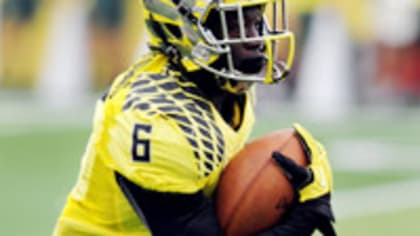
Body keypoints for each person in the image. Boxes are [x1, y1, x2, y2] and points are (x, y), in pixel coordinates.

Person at [54, 0, 335, 235]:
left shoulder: (225, 83)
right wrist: (301, 220)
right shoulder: (155, 118)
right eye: (235, 25)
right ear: (186, 30)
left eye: (255, 20)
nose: (256, 40)